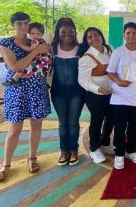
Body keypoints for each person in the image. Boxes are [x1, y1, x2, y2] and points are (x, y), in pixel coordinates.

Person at [0, 12, 51, 182]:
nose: (24, 27)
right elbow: (15, 65)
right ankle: (6, 164)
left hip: (36, 87)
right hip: (17, 89)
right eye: (19, 23)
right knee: (14, 129)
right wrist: (36, 52)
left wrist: (41, 51)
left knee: (36, 125)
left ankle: (32, 158)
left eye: (26, 23)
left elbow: (47, 59)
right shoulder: (6, 43)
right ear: (13, 25)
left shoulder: (36, 40)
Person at [107, 22, 136, 169]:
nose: (131, 35)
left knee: (134, 126)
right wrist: (119, 82)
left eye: (134, 33)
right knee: (120, 126)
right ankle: (119, 154)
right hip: (120, 95)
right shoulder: (118, 51)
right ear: (124, 35)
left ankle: (131, 150)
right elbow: (110, 71)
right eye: (128, 33)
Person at [50, 18, 85, 166]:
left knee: (73, 122)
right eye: (63, 31)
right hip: (58, 93)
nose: (67, 34)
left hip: (77, 93)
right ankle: (64, 151)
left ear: (75, 32)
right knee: (62, 123)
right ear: (58, 33)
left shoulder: (81, 48)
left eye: (71, 31)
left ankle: (74, 150)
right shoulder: (52, 48)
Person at [78, 27, 115, 164]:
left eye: (96, 35)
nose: (94, 38)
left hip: (112, 92)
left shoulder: (109, 48)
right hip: (95, 95)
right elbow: (83, 80)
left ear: (101, 36)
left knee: (111, 118)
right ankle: (94, 148)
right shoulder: (86, 58)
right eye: (90, 37)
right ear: (87, 41)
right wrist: (99, 89)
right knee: (97, 120)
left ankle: (105, 143)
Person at [3, 22, 52, 86]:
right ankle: (45, 82)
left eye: (38, 34)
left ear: (42, 34)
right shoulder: (42, 40)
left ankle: (15, 79)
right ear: (29, 33)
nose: (35, 35)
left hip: (39, 59)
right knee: (38, 70)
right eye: (33, 33)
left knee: (26, 67)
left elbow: (29, 49)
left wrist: (19, 44)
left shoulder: (36, 41)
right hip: (45, 59)